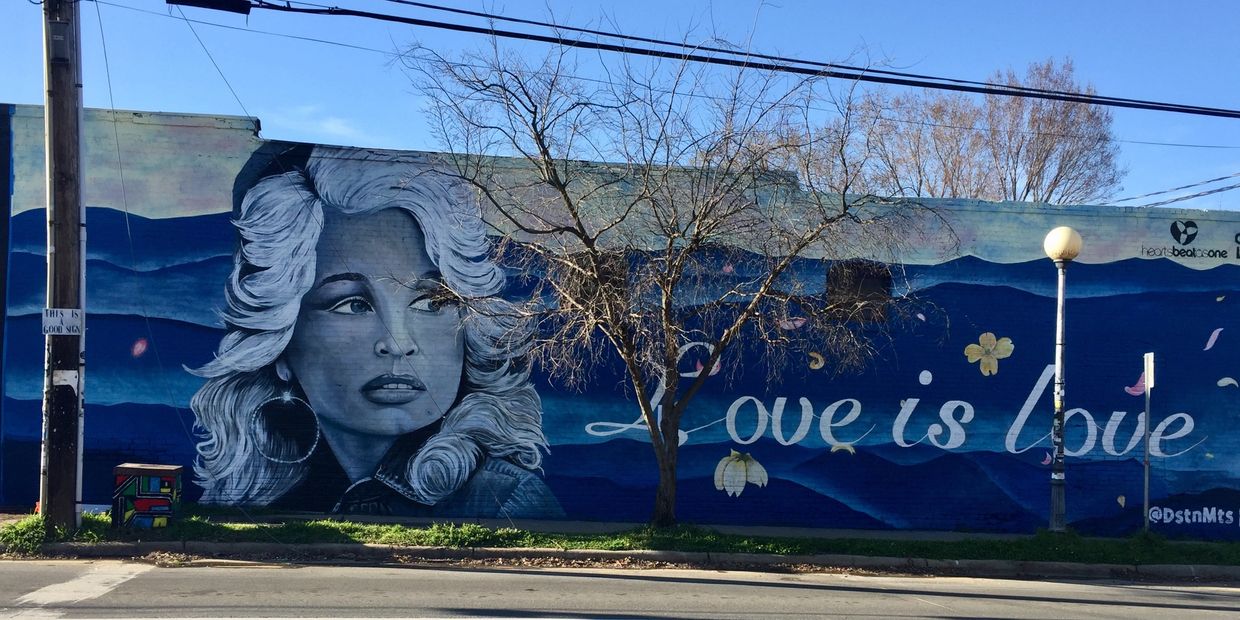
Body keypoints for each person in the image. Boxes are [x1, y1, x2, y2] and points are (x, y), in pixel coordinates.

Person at [189, 145, 563, 518]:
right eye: (352, 305)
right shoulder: (259, 496)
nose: (398, 344)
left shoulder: (505, 501)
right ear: (281, 342)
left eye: (432, 302)